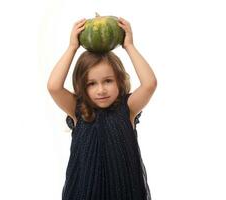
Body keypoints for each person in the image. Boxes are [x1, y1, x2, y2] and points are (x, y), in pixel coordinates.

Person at [47, 17, 157, 200]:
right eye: (91, 83)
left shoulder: (128, 109)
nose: (101, 90)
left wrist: (129, 46)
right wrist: (71, 48)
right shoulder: (78, 110)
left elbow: (150, 84)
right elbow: (53, 87)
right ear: (82, 86)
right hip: (86, 190)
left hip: (124, 190)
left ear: (120, 81)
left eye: (108, 81)